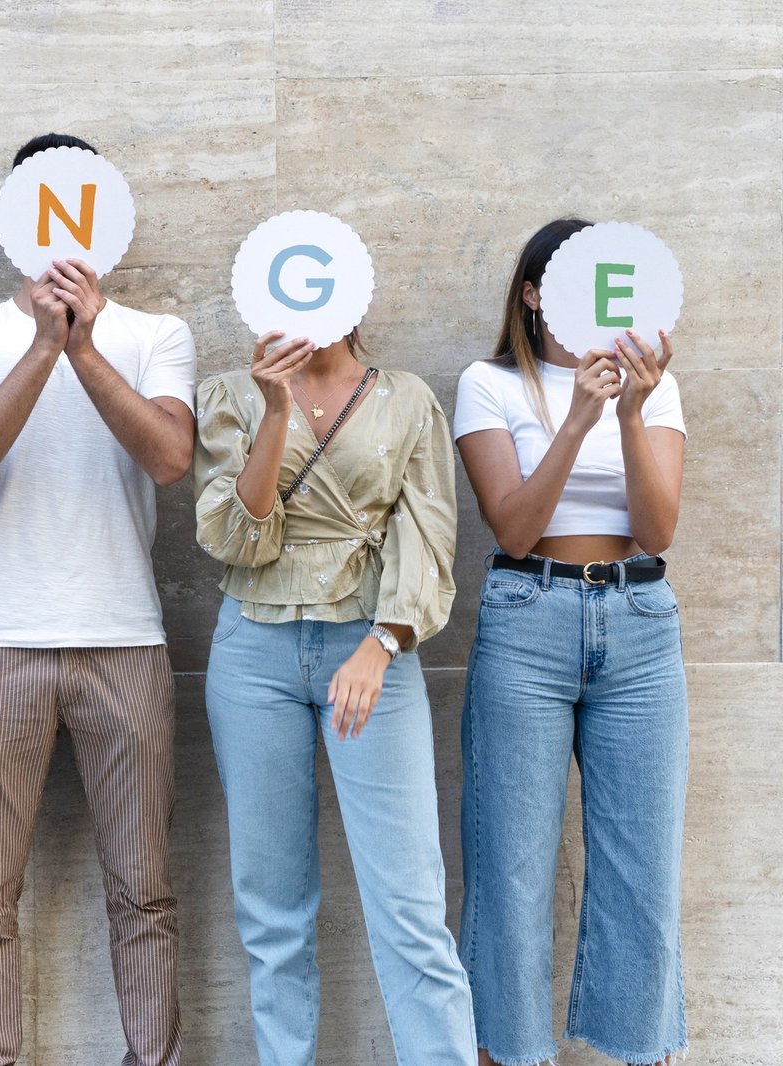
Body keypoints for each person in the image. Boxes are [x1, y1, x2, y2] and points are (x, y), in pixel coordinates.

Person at [0, 133, 197, 1066]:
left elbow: (169, 458)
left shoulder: (158, 335)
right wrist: (46, 344)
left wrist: (83, 347)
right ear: (17, 219)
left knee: (146, 894)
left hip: (127, 642)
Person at [193, 317, 476, 1064]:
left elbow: (431, 538)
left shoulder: (406, 398)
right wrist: (274, 410)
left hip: (372, 647)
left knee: (410, 904)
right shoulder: (228, 395)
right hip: (253, 651)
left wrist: (381, 644)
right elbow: (235, 539)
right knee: (271, 908)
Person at [454, 218, 687, 1066]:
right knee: (509, 868)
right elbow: (513, 528)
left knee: (643, 870)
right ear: (533, 293)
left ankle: (642, 1051)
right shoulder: (489, 384)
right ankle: (508, 1053)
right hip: (529, 616)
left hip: (640, 622)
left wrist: (628, 412)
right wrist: (577, 419)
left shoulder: (656, 386)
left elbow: (658, 530)